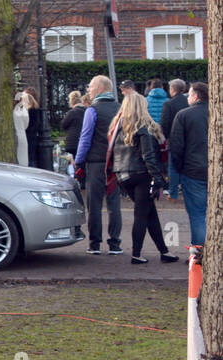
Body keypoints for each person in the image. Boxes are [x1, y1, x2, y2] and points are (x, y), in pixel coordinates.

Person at [109, 92, 177, 265]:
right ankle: (136, 254)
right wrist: (158, 179)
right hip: (141, 174)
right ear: (142, 107)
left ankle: (164, 251)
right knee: (141, 214)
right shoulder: (143, 127)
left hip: (123, 175)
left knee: (149, 213)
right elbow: (148, 156)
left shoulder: (117, 126)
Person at [74, 75, 122, 255]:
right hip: (115, 163)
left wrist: (79, 161)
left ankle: (95, 244)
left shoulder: (92, 110)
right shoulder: (120, 109)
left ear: (101, 88)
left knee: (94, 204)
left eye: (91, 86)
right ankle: (115, 244)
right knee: (114, 203)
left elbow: (85, 138)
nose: (89, 89)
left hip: (95, 163)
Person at [168, 81, 208, 247]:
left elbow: (176, 149)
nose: (188, 97)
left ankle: (200, 253)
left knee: (197, 215)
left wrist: (175, 178)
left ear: (196, 96)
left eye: (190, 94)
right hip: (214, 170)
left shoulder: (184, 115)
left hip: (193, 172)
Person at [159, 78, 189, 202]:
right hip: (189, 139)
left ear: (173, 89)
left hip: (174, 139)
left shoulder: (168, 104)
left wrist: (164, 138)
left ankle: (173, 193)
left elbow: (164, 123)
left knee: (173, 167)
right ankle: (187, 192)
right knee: (187, 167)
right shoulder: (189, 102)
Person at [60, 90, 86, 177]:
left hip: (74, 142)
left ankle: (79, 179)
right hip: (85, 140)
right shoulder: (87, 110)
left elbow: (64, 125)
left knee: (76, 162)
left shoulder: (72, 112)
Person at [23, 87, 44, 168]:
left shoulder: (30, 110)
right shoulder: (37, 108)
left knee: (30, 159)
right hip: (33, 137)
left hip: (29, 137)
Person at [12, 92, 30, 167]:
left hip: (16, 133)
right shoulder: (23, 110)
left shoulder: (15, 110)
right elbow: (26, 124)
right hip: (22, 134)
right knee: (23, 156)